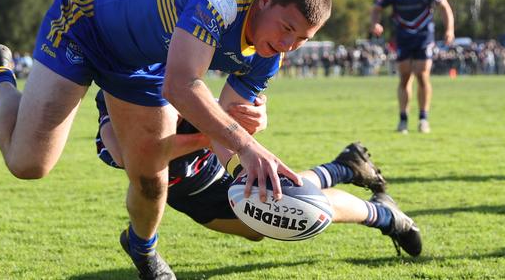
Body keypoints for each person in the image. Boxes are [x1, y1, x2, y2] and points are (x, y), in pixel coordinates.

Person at [0, 0, 332, 279]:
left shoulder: (268, 57)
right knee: (28, 165)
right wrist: (247, 145)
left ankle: (143, 249)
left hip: (141, 67)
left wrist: (243, 165)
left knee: (151, 174)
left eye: (302, 39)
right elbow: (182, 86)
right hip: (85, 26)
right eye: (286, 28)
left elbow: (223, 125)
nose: (288, 46)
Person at [92, 89, 422, 276]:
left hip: (210, 174)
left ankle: (385, 215)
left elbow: (223, 124)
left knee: (290, 209)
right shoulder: (117, 92)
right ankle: (343, 167)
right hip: (189, 192)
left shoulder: (174, 81)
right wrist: (211, 136)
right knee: (260, 224)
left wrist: (246, 119)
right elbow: (127, 155)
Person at [369, 0, 455, 134]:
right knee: (405, 77)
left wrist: (449, 30)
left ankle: (423, 118)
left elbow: (444, 6)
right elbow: (376, 8)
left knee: (422, 75)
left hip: (424, 36)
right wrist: (375, 23)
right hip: (403, 37)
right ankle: (403, 119)